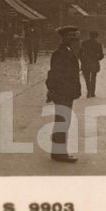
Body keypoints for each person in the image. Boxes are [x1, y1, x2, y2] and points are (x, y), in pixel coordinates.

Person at [46, 26, 81, 162]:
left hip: (66, 92)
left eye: (74, 35)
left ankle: (57, 151)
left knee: (63, 121)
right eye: (70, 36)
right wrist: (54, 91)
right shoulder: (60, 53)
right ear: (63, 37)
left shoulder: (68, 51)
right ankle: (59, 153)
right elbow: (54, 75)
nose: (73, 38)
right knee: (62, 122)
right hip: (63, 93)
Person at [79, 31, 104, 98]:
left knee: (87, 78)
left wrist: (82, 60)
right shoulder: (98, 44)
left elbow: (80, 53)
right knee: (93, 77)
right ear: (96, 37)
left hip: (86, 63)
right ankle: (92, 93)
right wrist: (96, 59)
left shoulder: (84, 43)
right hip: (94, 63)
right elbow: (101, 55)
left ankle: (88, 91)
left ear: (90, 36)